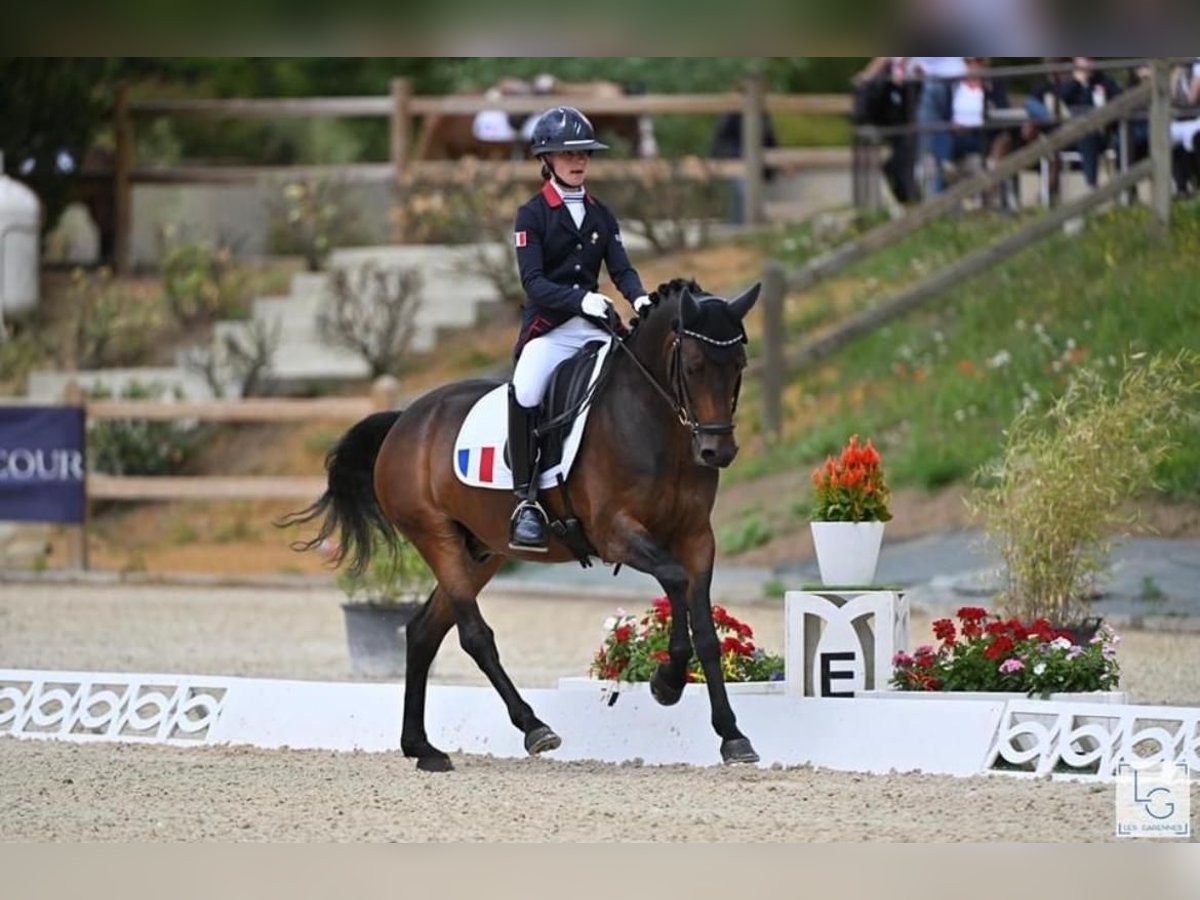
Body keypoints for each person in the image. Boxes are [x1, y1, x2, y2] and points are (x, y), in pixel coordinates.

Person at [507, 106, 650, 552]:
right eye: (567, 153)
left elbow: (621, 269)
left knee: (638, 380)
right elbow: (533, 283)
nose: (578, 160)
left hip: (593, 325)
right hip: (550, 328)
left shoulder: (601, 214)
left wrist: (641, 297)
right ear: (547, 159)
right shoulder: (531, 215)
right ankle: (525, 501)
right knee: (526, 390)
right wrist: (579, 298)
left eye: (584, 152)